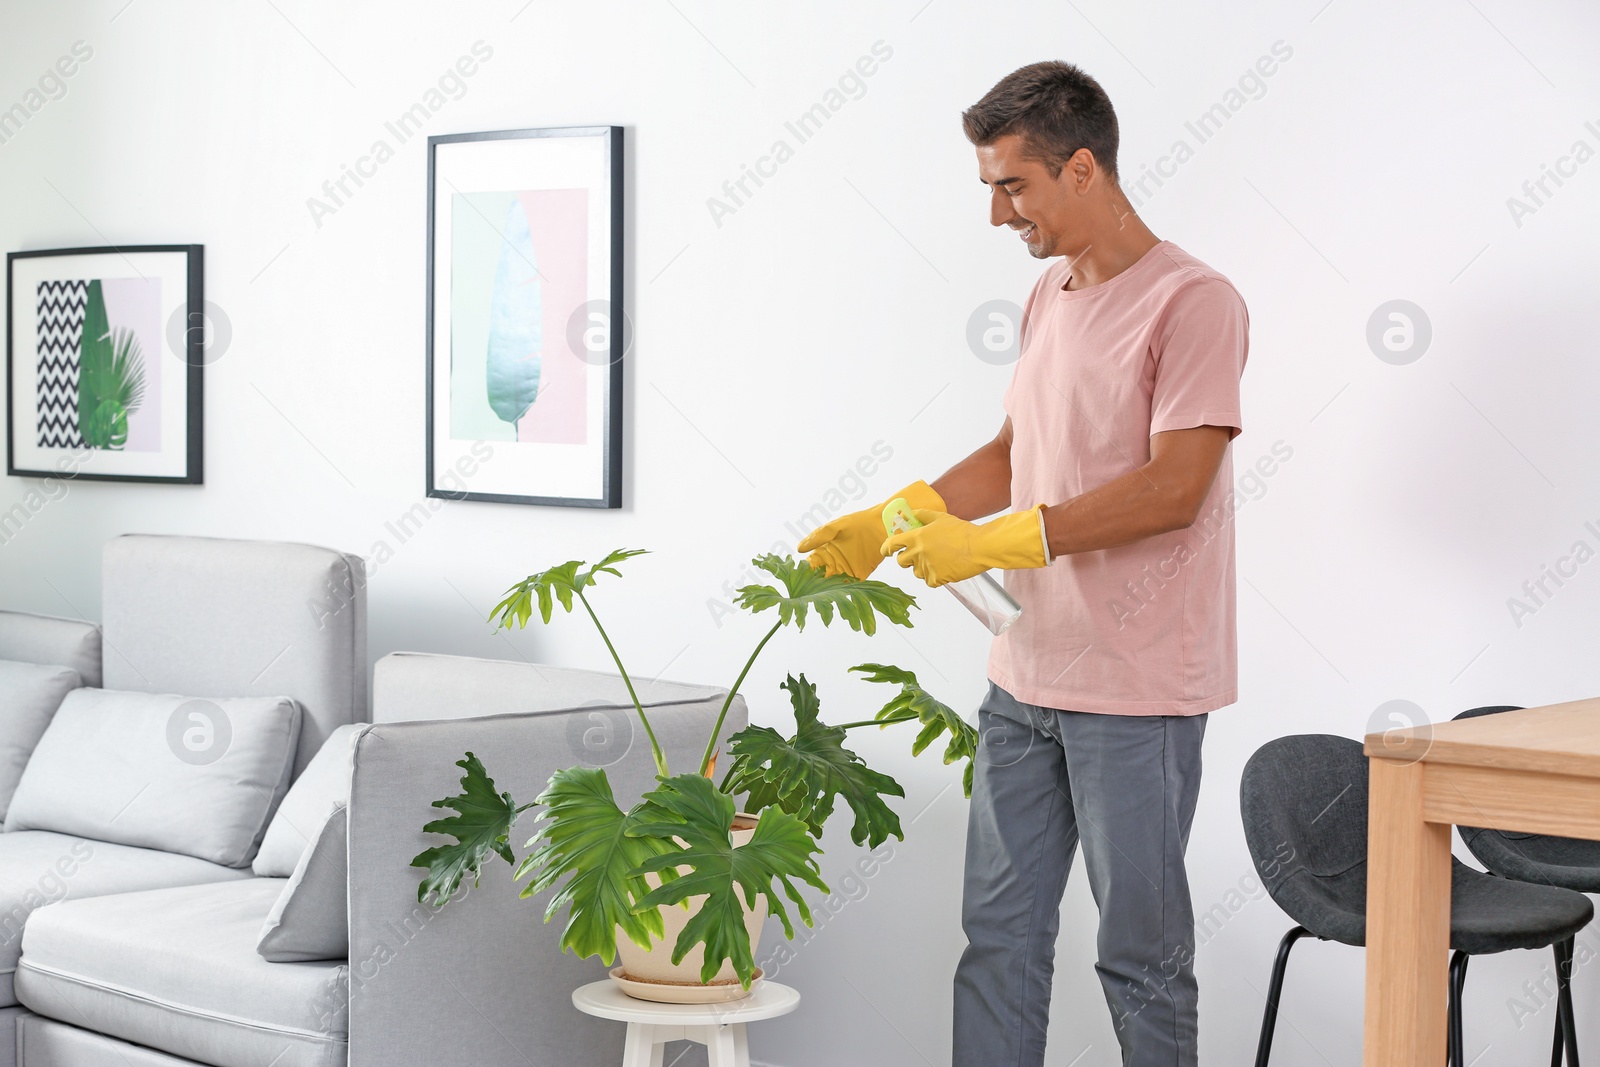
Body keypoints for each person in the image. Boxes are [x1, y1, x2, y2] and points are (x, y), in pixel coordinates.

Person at [798, 61, 1249, 1067]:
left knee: (1141, 956)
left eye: (1015, 186)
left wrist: (999, 541)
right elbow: (1014, 452)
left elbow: (1173, 487)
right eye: (990, 189)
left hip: (1136, 697)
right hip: (1023, 678)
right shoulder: (1050, 293)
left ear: (1081, 168)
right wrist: (894, 514)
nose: (1001, 215)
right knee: (997, 942)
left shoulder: (1194, 302)